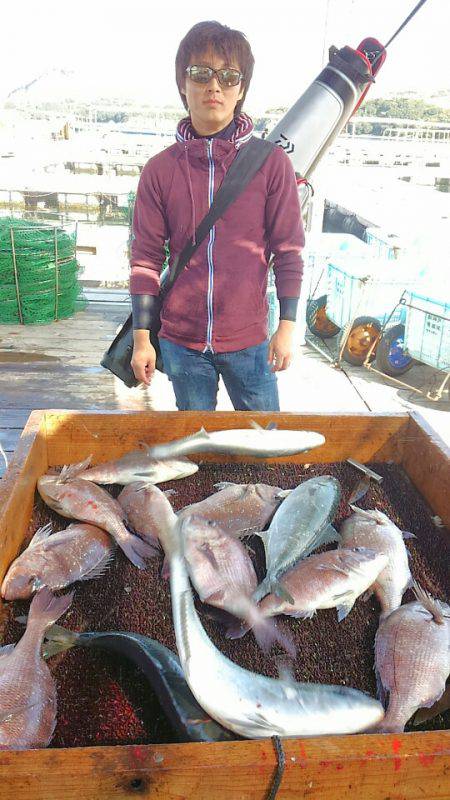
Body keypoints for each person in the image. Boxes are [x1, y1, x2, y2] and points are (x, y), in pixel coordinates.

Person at [130, 20, 304, 411]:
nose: (214, 86)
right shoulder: (159, 170)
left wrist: (287, 328)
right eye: (200, 73)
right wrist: (143, 339)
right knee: (198, 449)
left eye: (228, 76)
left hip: (250, 340)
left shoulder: (271, 163)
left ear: (240, 89)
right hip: (182, 343)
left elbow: (289, 251)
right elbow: (145, 257)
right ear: (182, 84)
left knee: (264, 447)